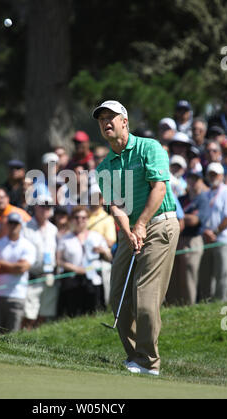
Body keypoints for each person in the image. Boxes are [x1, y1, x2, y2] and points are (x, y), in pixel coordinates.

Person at [93, 99, 180, 376]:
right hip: (130, 231)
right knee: (118, 298)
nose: (106, 122)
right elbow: (116, 206)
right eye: (101, 119)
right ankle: (137, 357)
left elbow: (159, 189)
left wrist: (140, 224)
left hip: (159, 225)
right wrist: (129, 232)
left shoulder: (149, 148)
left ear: (124, 121)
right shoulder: (104, 167)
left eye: (112, 117)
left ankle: (149, 362)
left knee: (145, 295)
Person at [57, 206, 112, 318]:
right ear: (72, 219)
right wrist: (75, 269)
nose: (80, 220)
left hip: (94, 280)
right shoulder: (65, 238)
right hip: (72, 280)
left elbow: (109, 258)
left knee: (95, 311)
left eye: (84, 217)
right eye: (77, 217)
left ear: (88, 219)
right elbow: (58, 261)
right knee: (74, 313)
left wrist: (103, 251)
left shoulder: (96, 236)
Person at [0, 212, 36, 333]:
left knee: (11, 337)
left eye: (16, 223)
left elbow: (22, 269)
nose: (13, 226)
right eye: (11, 223)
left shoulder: (28, 246)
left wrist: (2, 263)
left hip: (17, 297)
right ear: (7, 225)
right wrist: (15, 267)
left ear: (21, 225)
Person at [166, 171, 207, 305]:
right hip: (179, 239)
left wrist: (181, 217)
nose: (193, 182)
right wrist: (181, 217)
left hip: (193, 240)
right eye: (190, 178)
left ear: (201, 181)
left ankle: (190, 305)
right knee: (175, 276)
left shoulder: (203, 198)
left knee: (189, 275)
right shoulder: (182, 198)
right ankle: (175, 305)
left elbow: (195, 220)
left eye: (196, 179)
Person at [22, 195, 58, 331]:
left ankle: (36, 344)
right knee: (29, 315)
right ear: (35, 207)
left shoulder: (53, 229)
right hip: (32, 277)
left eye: (48, 206)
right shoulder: (25, 228)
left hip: (49, 277)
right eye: (42, 205)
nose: (45, 209)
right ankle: (23, 340)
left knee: (44, 315)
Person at [197, 163, 227, 302]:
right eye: (210, 174)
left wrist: (215, 232)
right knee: (205, 272)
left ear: (222, 176)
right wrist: (206, 232)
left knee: (221, 273)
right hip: (206, 238)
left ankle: (220, 301)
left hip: (222, 238)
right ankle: (205, 301)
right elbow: (201, 217)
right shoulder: (206, 194)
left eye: (215, 174)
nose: (213, 177)